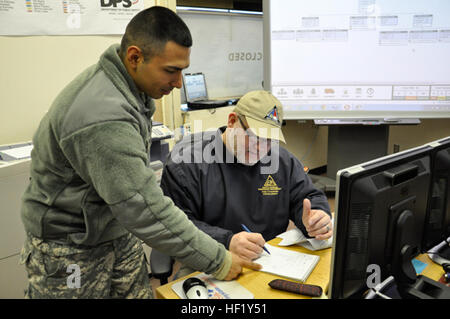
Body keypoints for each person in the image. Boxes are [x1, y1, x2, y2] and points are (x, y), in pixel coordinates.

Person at [19, 6, 260, 299]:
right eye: (171, 70)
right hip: (70, 246)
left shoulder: (129, 86)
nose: (178, 82)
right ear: (134, 57)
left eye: (182, 70)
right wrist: (218, 259)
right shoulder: (103, 114)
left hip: (114, 230)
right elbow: (143, 209)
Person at [161, 90, 333, 277]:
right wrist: (227, 241)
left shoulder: (282, 161)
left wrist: (315, 218)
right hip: (209, 260)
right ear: (232, 121)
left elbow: (308, 197)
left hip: (270, 260)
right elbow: (174, 226)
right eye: (254, 137)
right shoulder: (186, 163)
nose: (260, 148)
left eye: (269, 140)